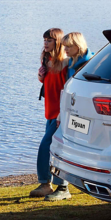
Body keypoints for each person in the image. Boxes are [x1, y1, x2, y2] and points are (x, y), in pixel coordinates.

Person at [30, 28, 71, 201]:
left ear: (58, 41)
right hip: (49, 111)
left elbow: (67, 89)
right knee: (53, 148)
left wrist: (63, 114)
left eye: (49, 40)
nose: (45, 43)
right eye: (44, 40)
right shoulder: (46, 58)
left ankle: (55, 185)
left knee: (48, 147)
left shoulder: (65, 62)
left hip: (60, 113)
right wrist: (40, 76)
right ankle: (49, 184)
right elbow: (47, 82)